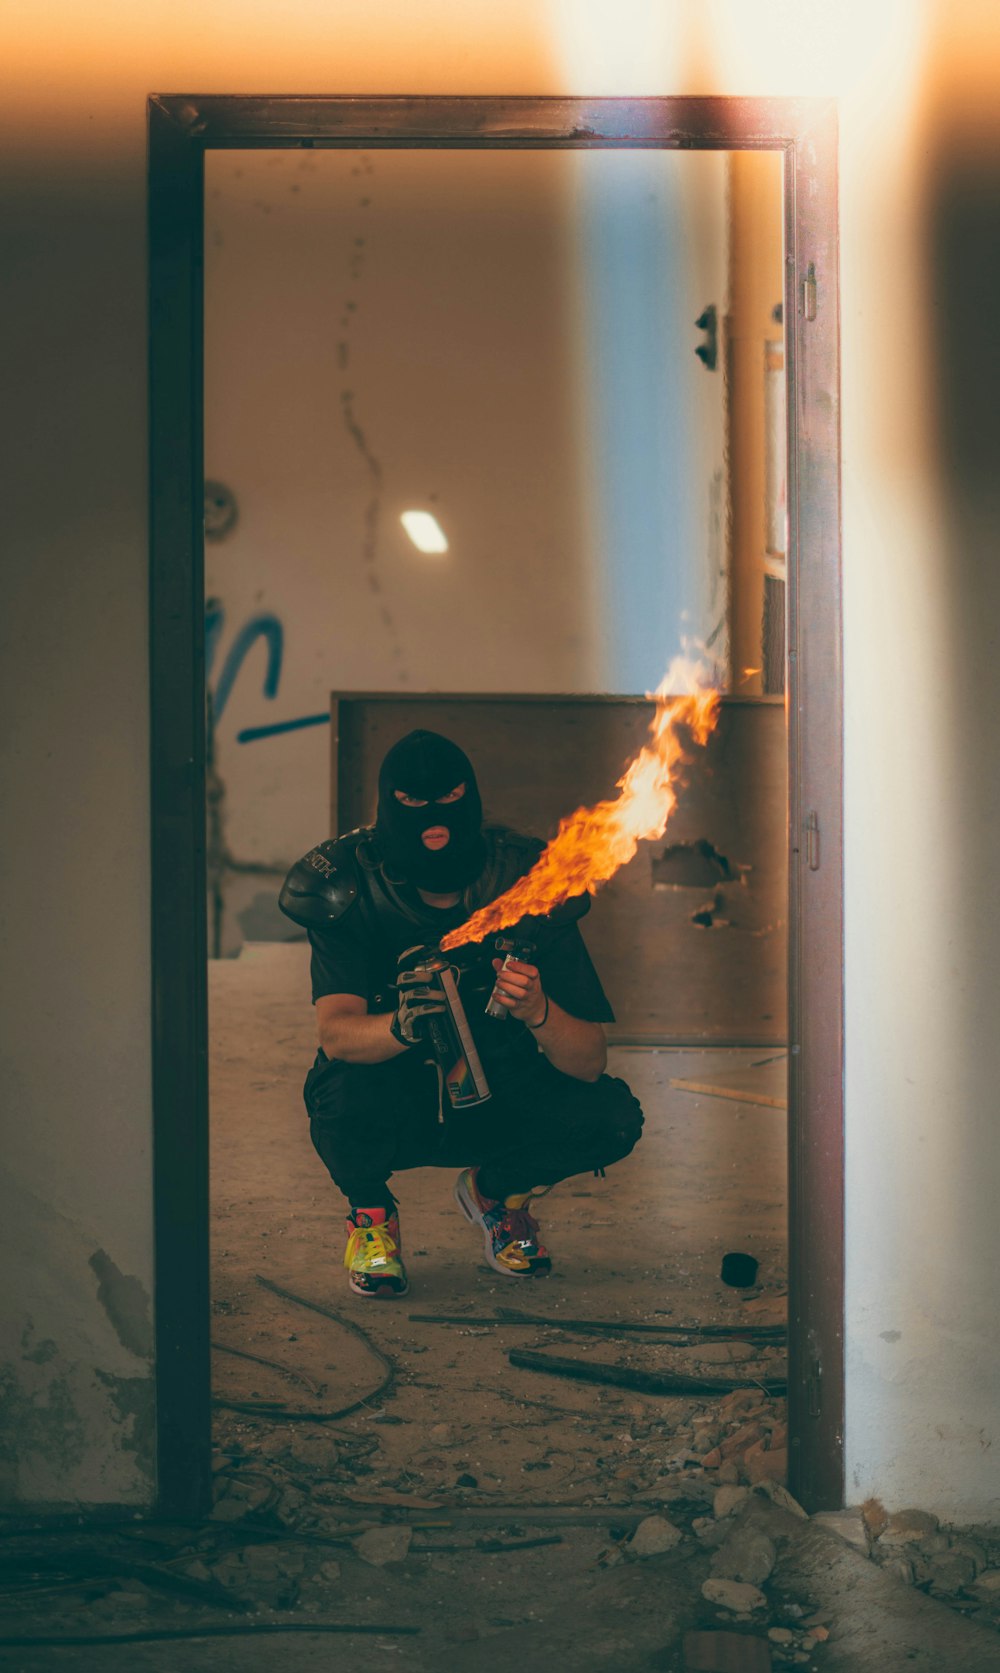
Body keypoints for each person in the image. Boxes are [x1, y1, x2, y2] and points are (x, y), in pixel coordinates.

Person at [278, 729, 643, 1298]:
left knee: (610, 1116)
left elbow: (589, 1062)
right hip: (398, 1093)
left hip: (501, 1091)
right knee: (339, 1096)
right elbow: (337, 1035)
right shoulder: (349, 886)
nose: (433, 821)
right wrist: (399, 1026)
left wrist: (539, 1010)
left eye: (448, 801)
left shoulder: (531, 883)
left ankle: (497, 1193)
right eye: (412, 805)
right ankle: (372, 1219)